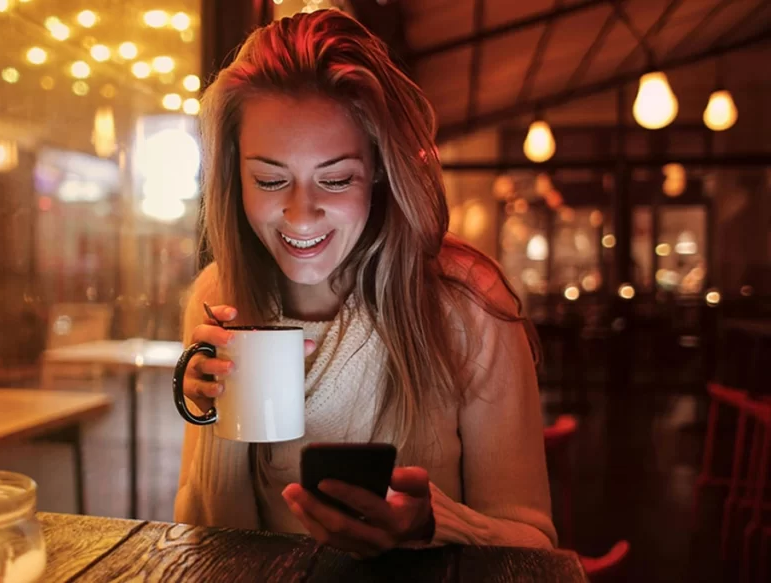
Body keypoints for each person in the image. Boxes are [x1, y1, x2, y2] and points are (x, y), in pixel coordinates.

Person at [175, 9, 556, 556]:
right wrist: (215, 418)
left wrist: (434, 527)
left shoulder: (466, 303)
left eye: (335, 179)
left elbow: (535, 543)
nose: (301, 215)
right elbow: (213, 543)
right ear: (234, 176)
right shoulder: (218, 296)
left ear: (379, 168)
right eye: (270, 179)